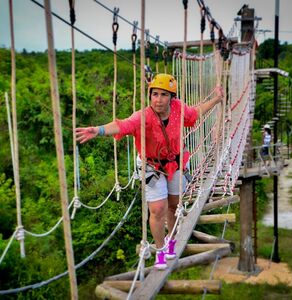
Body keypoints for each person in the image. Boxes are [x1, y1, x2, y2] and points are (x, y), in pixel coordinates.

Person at [76, 73, 223, 270]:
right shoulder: (143, 117)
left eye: (163, 95)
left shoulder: (179, 110)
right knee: (157, 209)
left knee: (174, 205)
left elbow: (197, 112)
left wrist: (216, 99)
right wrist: (98, 131)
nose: (158, 99)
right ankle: (160, 251)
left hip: (176, 163)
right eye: (154, 94)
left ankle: (172, 239)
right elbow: (122, 125)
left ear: (172, 97)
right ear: (150, 95)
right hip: (151, 167)